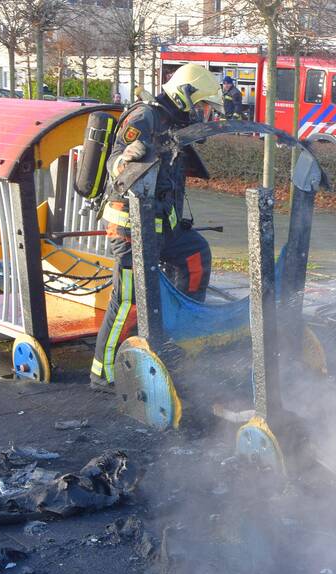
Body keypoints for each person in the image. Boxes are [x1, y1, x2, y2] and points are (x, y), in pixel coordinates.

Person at [89, 64, 223, 392]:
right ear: (185, 96)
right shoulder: (144, 117)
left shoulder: (174, 122)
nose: (205, 114)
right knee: (129, 298)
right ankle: (103, 372)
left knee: (195, 255)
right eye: (202, 106)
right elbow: (116, 160)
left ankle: (171, 338)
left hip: (163, 227)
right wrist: (124, 161)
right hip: (130, 228)